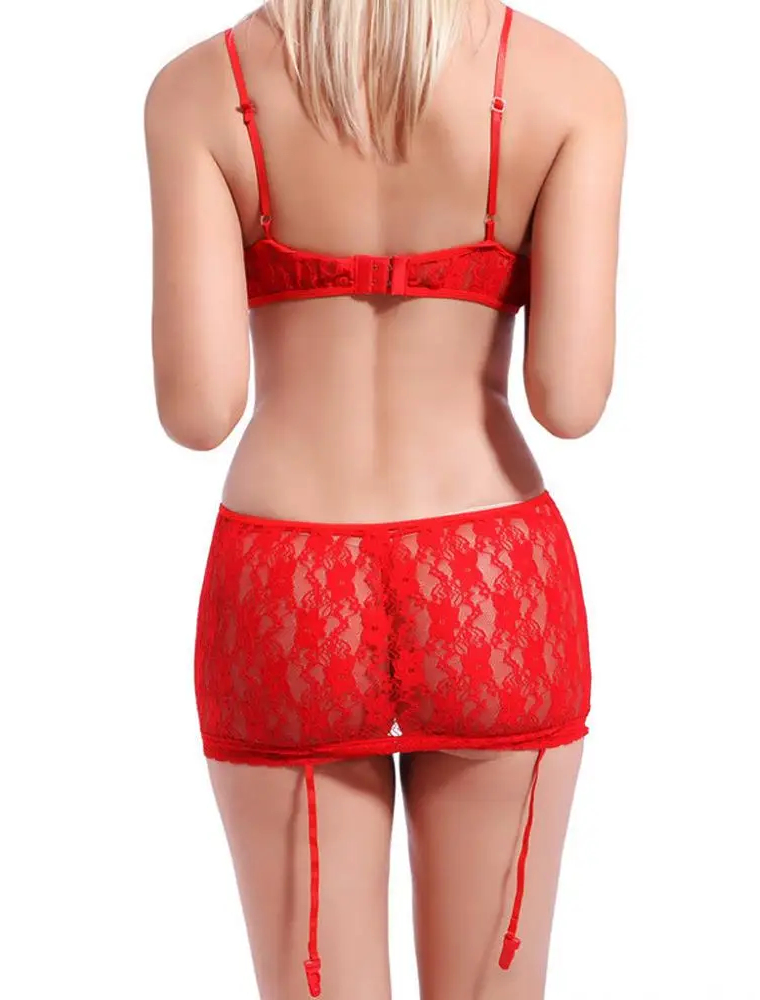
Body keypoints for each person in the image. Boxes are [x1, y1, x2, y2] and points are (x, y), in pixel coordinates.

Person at [144, 0, 625, 996]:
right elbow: (568, 401)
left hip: (287, 578)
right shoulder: (571, 85)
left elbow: (199, 410)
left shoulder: (200, 88)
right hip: (489, 578)